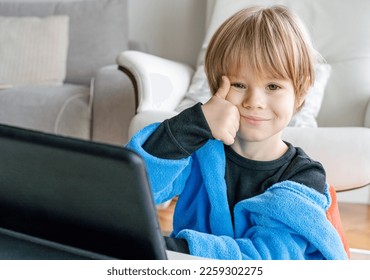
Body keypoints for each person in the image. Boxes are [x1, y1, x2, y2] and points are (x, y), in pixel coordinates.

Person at [126, 5, 348, 260]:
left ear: (300, 92)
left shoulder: (305, 178)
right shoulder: (199, 152)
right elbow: (130, 189)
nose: (254, 101)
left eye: (273, 86)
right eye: (240, 84)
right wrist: (192, 124)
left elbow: (267, 260)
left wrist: (169, 251)